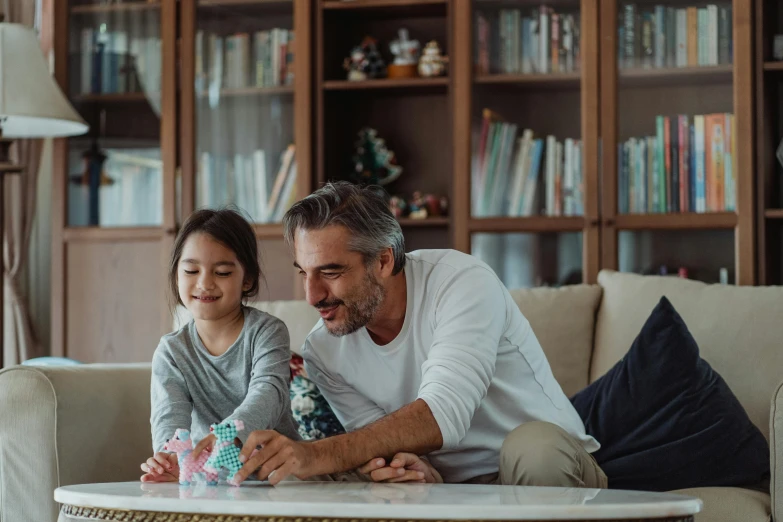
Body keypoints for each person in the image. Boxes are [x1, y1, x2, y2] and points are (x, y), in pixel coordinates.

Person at [231, 182, 606, 489]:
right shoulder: (324, 349)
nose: (312, 296)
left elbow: (444, 413)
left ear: (383, 261)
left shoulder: (461, 282)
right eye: (304, 273)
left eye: (330, 272)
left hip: (552, 470)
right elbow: (376, 442)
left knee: (531, 448)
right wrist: (404, 469)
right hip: (452, 489)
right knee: (310, 478)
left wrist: (315, 453)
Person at [140, 208, 300, 483]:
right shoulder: (172, 351)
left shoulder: (267, 331)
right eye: (191, 270)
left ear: (247, 279)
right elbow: (170, 416)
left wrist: (228, 434)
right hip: (210, 480)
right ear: (176, 274)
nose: (204, 283)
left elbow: (269, 393)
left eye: (223, 272)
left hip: (277, 474)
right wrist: (168, 457)